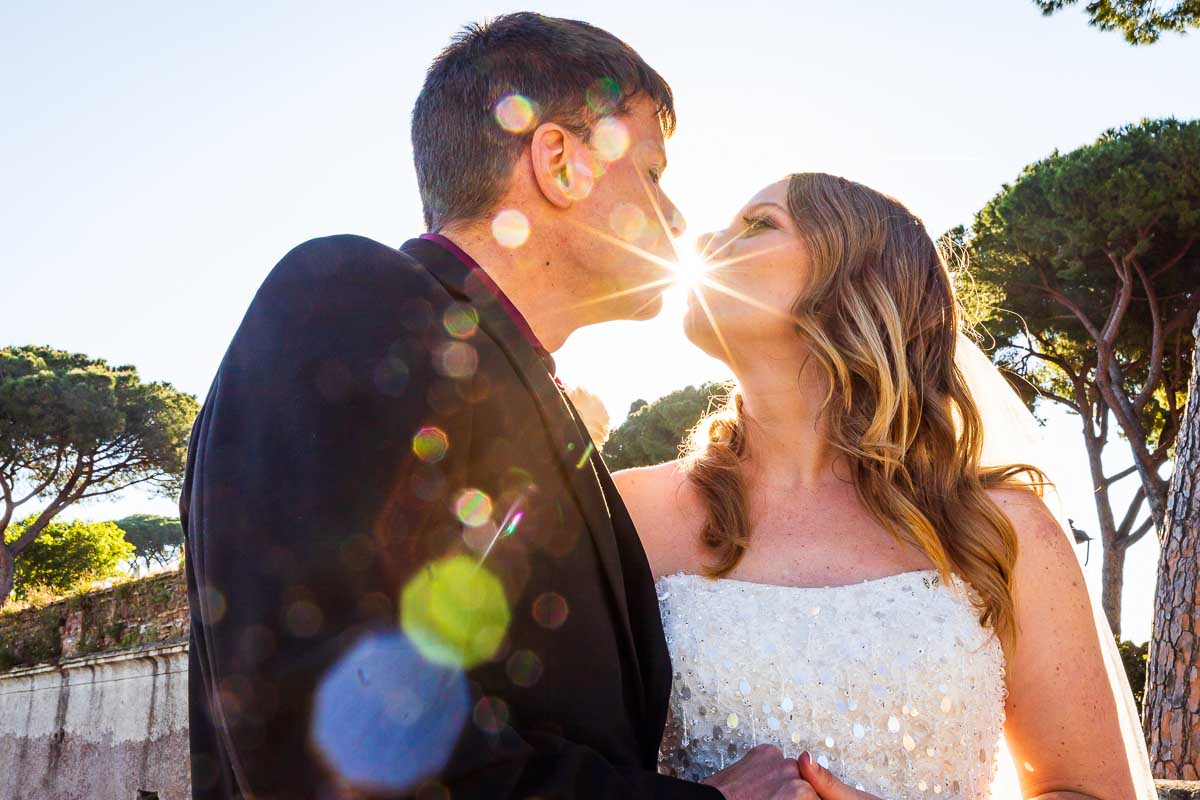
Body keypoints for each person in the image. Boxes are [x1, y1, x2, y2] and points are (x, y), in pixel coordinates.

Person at [180, 13, 805, 800]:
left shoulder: (528, 399)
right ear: (559, 162)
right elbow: (331, 724)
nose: (677, 218)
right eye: (651, 172)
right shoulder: (349, 296)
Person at [616, 173, 1157, 799]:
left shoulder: (1003, 531)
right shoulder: (632, 512)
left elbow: (1089, 791)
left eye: (760, 223)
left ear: (855, 281)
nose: (709, 237)